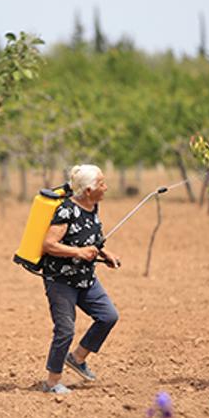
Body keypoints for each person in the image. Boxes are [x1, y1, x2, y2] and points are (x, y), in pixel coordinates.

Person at [40, 164, 122, 394]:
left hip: (85, 279)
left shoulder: (92, 208)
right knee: (65, 329)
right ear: (88, 190)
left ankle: (77, 358)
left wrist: (106, 254)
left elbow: (93, 240)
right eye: (101, 184)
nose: (106, 187)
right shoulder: (66, 211)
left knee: (108, 316)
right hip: (61, 280)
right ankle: (52, 382)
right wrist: (78, 253)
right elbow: (48, 245)